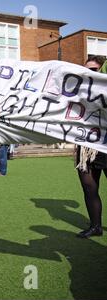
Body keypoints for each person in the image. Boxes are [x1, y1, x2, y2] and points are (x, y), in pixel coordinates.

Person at [75, 55, 107, 239]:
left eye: (94, 70)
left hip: (105, 144)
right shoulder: (81, 91)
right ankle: (96, 226)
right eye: (86, 70)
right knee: (89, 187)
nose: (89, 74)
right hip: (86, 145)